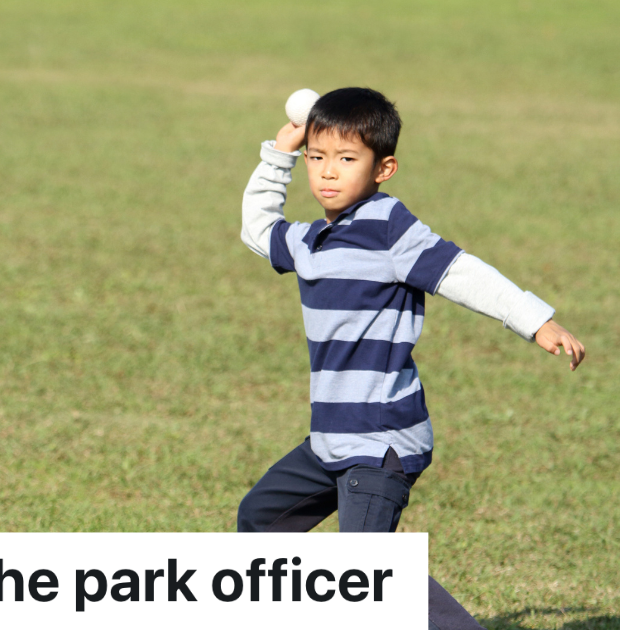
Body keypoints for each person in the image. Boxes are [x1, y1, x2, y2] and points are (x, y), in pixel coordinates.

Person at [236, 87, 586, 629]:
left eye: (347, 159)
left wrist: (535, 320)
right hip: (331, 439)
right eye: (318, 158)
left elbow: (464, 273)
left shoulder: (391, 230)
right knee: (260, 522)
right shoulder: (314, 242)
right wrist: (278, 155)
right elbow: (259, 230)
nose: (328, 173)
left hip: (380, 442)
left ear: (384, 168)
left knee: (370, 575)